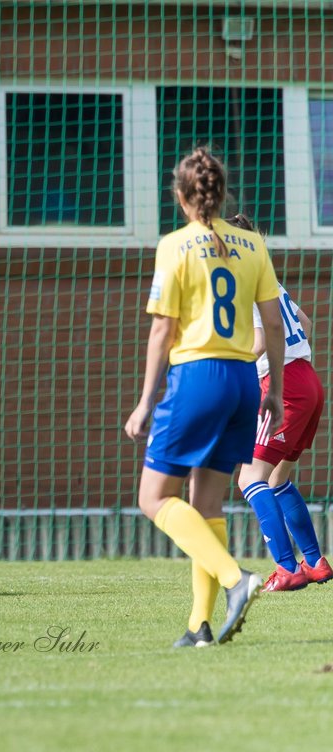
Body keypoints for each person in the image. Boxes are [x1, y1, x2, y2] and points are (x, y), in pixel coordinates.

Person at [124, 148, 286, 648]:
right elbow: (275, 323)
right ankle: (199, 626)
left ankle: (236, 580)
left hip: (197, 377)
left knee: (153, 498)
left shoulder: (175, 245)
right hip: (242, 379)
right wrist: (274, 390)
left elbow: (161, 332)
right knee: (207, 502)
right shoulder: (253, 244)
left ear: (180, 194)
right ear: (221, 189)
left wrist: (146, 401)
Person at [227, 213, 332, 593]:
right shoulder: (271, 282)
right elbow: (303, 322)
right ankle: (315, 562)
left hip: (282, 385)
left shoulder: (244, 284)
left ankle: (287, 569)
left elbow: (257, 340)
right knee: (278, 478)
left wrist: (229, 361)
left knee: (249, 477)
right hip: (307, 380)